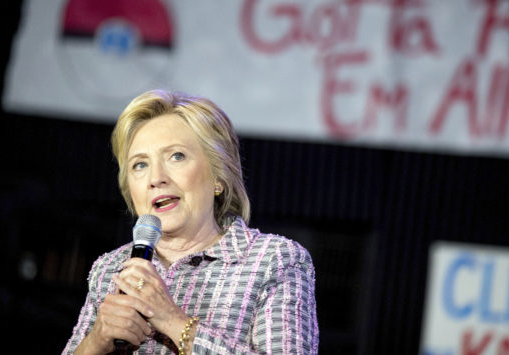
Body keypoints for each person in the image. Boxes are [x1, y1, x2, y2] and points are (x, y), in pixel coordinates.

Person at [63, 90, 319, 354]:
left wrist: (171, 319)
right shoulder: (111, 269)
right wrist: (95, 341)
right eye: (140, 164)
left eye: (177, 156)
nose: (156, 178)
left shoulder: (273, 261)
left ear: (219, 176)